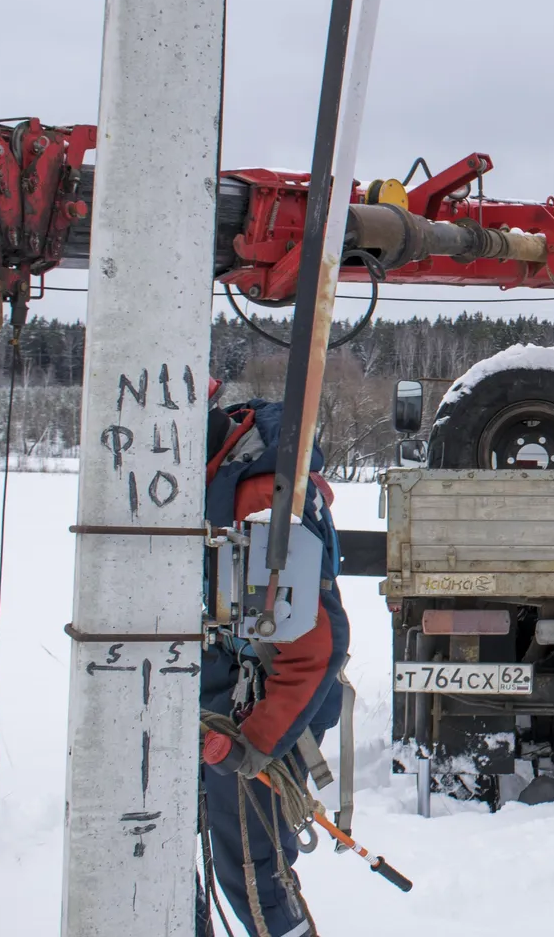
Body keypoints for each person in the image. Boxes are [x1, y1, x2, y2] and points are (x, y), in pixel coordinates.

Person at [197, 394, 351, 937]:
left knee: (252, 869)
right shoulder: (223, 481)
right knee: (175, 857)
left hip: (254, 709)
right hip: (215, 697)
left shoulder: (261, 501)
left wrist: (255, 743)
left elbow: (317, 646)